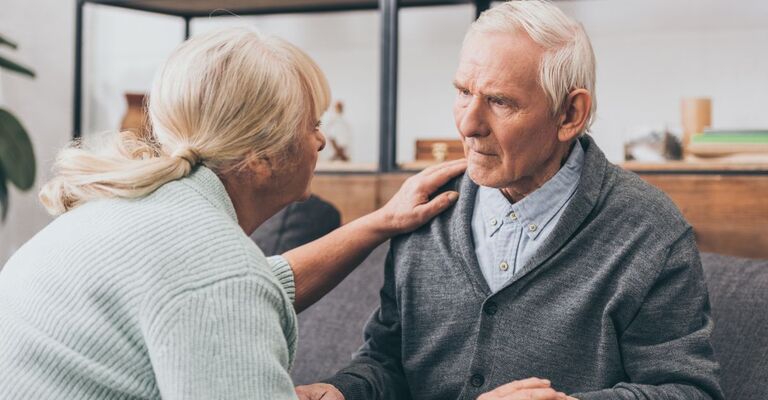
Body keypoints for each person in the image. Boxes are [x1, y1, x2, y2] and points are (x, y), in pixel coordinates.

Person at [0, 27, 466, 399]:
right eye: (312, 125)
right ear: (260, 157)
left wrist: (381, 221)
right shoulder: (216, 274)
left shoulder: (135, 211)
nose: (321, 142)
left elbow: (256, 282)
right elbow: (226, 287)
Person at [296, 1, 723, 400]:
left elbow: (688, 390)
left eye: (499, 101)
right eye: (463, 91)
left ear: (570, 114)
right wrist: (344, 390)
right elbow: (387, 361)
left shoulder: (649, 231)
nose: (467, 124)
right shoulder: (424, 209)